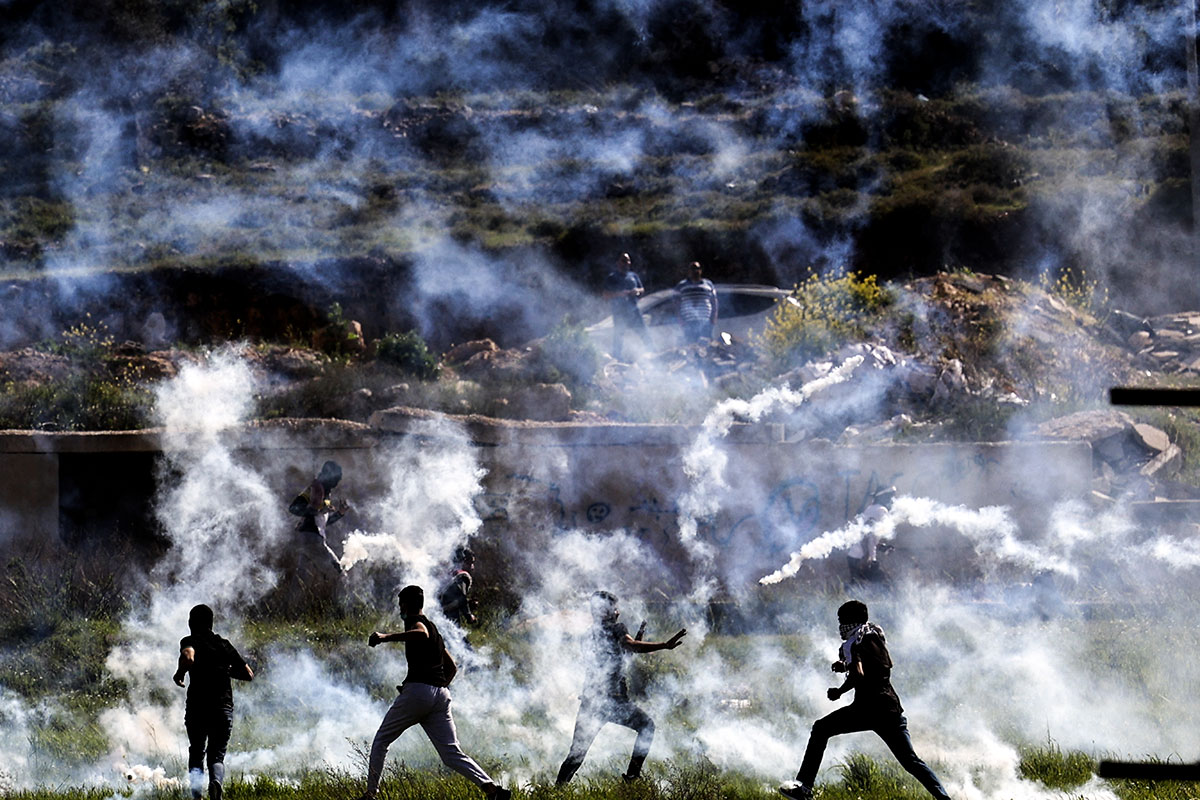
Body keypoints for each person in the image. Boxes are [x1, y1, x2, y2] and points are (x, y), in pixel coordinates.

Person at [779, 600, 952, 800]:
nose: (840, 626)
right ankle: (944, 798)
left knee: (820, 729)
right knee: (911, 761)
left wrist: (839, 691)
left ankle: (803, 788)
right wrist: (846, 665)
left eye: (842, 621)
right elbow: (882, 664)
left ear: (851, 621)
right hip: (890, 709)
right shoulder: (875, 636)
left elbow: (859, 674)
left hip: (866, 709)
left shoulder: (854, 643)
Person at [359, 585, 511, 800]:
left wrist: (384, 637)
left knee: (381, 740)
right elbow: (452, 666)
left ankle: (370, 795)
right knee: (451, 754)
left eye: (401, 604)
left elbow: (420, 634)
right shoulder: (435, 631)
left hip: (418, 693)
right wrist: (435, 688)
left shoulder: (417, 623)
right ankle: (492, 790)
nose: (400, 609)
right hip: (440, 695)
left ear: (407, 605)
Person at [556, 590, 687, 785]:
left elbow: (616, 659)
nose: (618, 612)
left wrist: (637, 639)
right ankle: (632, 778)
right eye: (614, 608)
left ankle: (556, 790)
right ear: (606, 611)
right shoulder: (617, 629)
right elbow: (629, 646)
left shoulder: (588, 636)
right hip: (612, 701)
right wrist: (664, 645)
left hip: (591, 702)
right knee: (647, 726)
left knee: (576, 754)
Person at [172, 604, 254, 800]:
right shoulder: (224, 645)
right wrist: (225, 671)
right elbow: (248, 674)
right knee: (216, 755)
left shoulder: (190, 640)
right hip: (222, 707)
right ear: (211, 623)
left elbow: (188, 657)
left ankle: (197, 796)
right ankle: (216, 782)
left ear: (192, 623)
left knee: (197, 751)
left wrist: (179, 673)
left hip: (198, 707)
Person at [288, 459, 349, 573]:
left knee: (302, 576)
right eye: (336, 479)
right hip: (311, 539)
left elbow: (322, 523)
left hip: (310, 539)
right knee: (338, 573)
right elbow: (293, 508)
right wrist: (316, 510)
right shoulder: (315, 488)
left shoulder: (325, 493)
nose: (336, 483)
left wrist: (339, 513)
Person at [602, 252, 654, 361]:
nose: (626, 263)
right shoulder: (612, 277)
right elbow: (605, 295)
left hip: (634, 310)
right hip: (620, 312)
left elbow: (642, 289)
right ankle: (617, 358)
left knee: (644, 332)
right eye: (624, 261)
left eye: (628, 261)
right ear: (618, 263)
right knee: (618, 336)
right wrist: (620, 294)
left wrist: (637, 291)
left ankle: (653, 354)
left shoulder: (633, 276)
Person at [846, 486, 895, 585]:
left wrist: (881, 547)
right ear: (884, 497)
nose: (891, 500)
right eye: (890, 496)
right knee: (884, 584)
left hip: (853, 556)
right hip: (861, 557)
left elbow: (869, 536)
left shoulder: (870, 508)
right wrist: (871, 559)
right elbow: (869, 537)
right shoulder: (881, 510)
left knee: (856, 586)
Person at [674, 261, 718, 344]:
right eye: (693, 269)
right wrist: (680, 320)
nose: (695, 271)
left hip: (706, 321)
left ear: (701, 270)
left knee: (706, 344)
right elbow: (677, 304)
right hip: (689, 322)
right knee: (691, 345)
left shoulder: (708, 284)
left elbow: (714, 302)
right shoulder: (681, 286)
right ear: (689, 271)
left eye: (697, 268)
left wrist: (713, 318)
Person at [439, 546, 478, 627]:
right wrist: (469, 616)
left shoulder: (449, 573)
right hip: (450, 616)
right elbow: (461, 598)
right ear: (463, 561)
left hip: (438, 613)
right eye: (470, 563)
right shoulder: (463, 576)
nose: (472, 567)